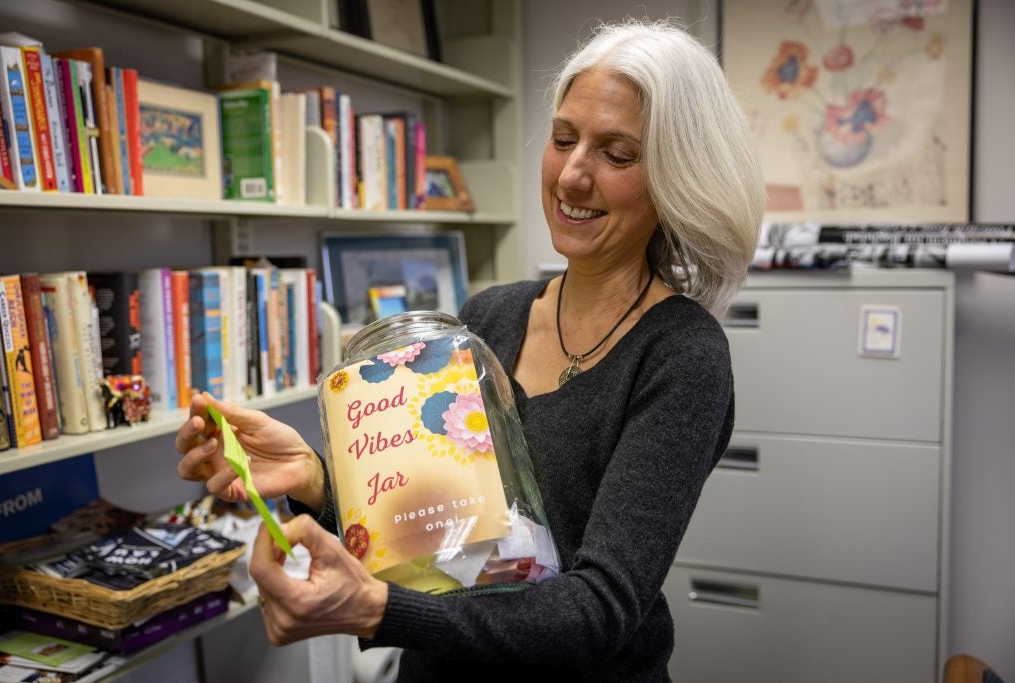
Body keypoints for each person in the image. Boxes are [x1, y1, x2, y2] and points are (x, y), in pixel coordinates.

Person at [175, 18, 763, 682]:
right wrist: (315, 480)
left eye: (616, 154)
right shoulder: (487, 318)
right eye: (563, 139)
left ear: (675, 179)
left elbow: (598, 610)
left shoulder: (683, 354)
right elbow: (435, 540)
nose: (572, 175)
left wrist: (377, 611)